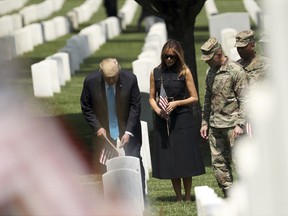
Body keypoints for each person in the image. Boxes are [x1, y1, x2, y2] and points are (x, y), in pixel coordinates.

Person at [80, 58, 146, 199]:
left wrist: (128, 132)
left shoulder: (130, 80)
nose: (111, 81)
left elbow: (136, 107)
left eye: (114, 78)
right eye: (108, 78)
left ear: (119, 72)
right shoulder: (91, 82)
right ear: (101, 73)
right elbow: (86, 107)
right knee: (105, 165)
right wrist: (97, 127)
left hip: (127, 129)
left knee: (134, 161)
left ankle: (139, 199)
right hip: (104, 132)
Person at [149, 39, 205, 201]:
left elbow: (194, 97)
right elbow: (152, 98)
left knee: (184, 157)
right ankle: (178, 196)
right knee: (171, 157)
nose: (169, 59)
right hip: (163, 117)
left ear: (178, 57)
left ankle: (188, 196)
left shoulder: (185, 71)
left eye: (172, 57)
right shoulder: (155, 72)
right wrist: (158, 110)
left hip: (182, 117)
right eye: (166, 56)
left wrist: (177, 103)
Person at [199, 37, 248, 197]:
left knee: (240, 164)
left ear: (218, 53)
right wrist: (204, 122)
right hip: (215, 126)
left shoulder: (236, 71)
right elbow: (207, 98)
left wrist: (240, 124)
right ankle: (229, 195)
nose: (206, 62)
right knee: (219, 164)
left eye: (209, 58)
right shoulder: (210, 72)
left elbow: (244, 100)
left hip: (233, 127)